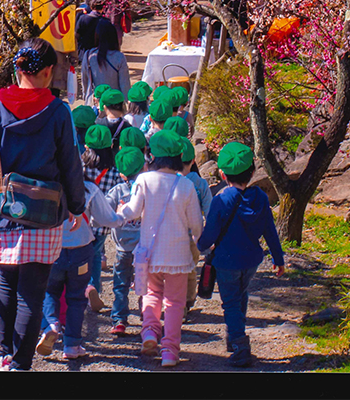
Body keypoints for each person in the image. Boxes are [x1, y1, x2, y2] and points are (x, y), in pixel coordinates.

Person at [0, 37, 86, 372]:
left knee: (6, 285)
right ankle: (20, 365)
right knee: (32, 294)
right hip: (45, 214)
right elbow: (70, 164)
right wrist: (77, 206)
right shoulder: (58, 112)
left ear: (17, 68)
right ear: (48, 72)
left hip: (2, 212)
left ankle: (5, 355)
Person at [118, 129, 203, 367]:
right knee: (175, 304)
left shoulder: (144, 180)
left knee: (151, 295)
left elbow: (133, 211)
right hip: (178, 256)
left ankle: (149, 333)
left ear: (152, 155)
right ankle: (170, 351)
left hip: (149, 254)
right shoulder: (186, 185)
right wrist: (203, 242)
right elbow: (196, 224)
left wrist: (117, 214)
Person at [197, 141, 285, 368]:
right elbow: (270, 230)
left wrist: (197, 247)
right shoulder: (261, 198)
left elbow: (210, 234)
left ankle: (239, 344)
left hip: (226, 261)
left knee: (231, 302)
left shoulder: (221, 200)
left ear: (222, 174)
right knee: (241, 295)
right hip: (251, 260)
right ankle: (235, 336)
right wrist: (278, 258)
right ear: (253, 172)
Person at [36, 173, 125, 361]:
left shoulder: (44, 186)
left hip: (52, 249)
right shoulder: (88, 188)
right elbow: (107, 219)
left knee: (49, 291)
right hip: (81, 250)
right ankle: (72, 345)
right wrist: (122, 215)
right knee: (76, 298)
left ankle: (51, 325)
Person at [80, 124, 124, 312]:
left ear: (87, 147)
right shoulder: (114, 172)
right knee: (96, 256)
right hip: (103, 224)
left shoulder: (81, 168)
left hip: (81, 222)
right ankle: (95, 288)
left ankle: (86, 288)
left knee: (82, 258)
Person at [105, 145, 146, 336]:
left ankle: (119, 319)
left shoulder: (116, 191)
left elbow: (105, 213)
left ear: (121, 174)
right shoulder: (147, 190)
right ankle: (148, 318)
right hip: (144, 247)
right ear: (144, 168)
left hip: (122, 247)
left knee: (120, 284)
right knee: (143, 284)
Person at [179, 137, 212, 321]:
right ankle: (187, 302)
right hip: (194, 235)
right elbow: (209, 210)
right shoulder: (200, 183)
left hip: (174, 234)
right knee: (190, 269)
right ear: (193, 161)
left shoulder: (171, 181)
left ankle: (173, 303)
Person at [81, 19, 131, 106]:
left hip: (95, 102)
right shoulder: (119, 57)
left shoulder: (88, 55)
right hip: (115, 103)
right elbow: (124, 84)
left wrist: (86, 96)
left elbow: (84, 80)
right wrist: (127, 102)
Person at [75, 0, 113, 99]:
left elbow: (76, 35)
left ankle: (88, 99)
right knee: (100, 77)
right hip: (101, 53)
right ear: (103, 8)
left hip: (85, 53)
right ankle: (100, 98)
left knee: (86, 79)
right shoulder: (105, 21)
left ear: (91, 7)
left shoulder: (83, 19)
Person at [96, 88, 133, 155]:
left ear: (104, 107)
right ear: (123, 106)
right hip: (121, 162)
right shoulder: (127, 127)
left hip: (103, 162)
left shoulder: (98, 125)